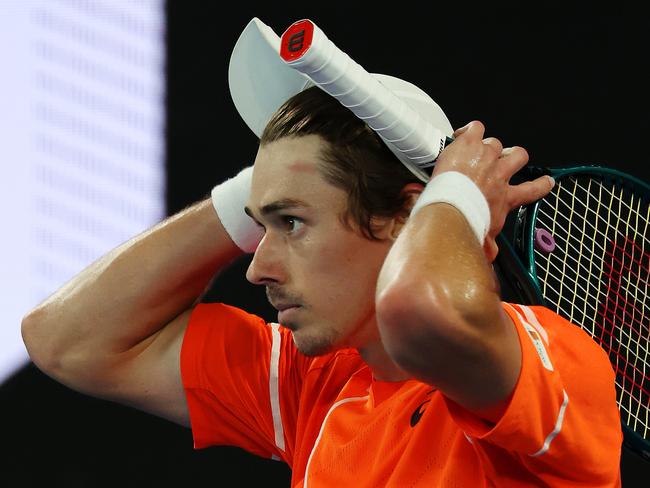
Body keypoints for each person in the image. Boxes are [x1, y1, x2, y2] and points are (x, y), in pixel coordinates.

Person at [22, 18, 622, 487]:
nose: (257, 266)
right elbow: (66, 339)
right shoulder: (315, 387)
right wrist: (262, 188)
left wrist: (457, 190)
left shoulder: (557, 370)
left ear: (408, 215)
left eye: (292, 223)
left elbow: (420, 313)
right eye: (262, 227)